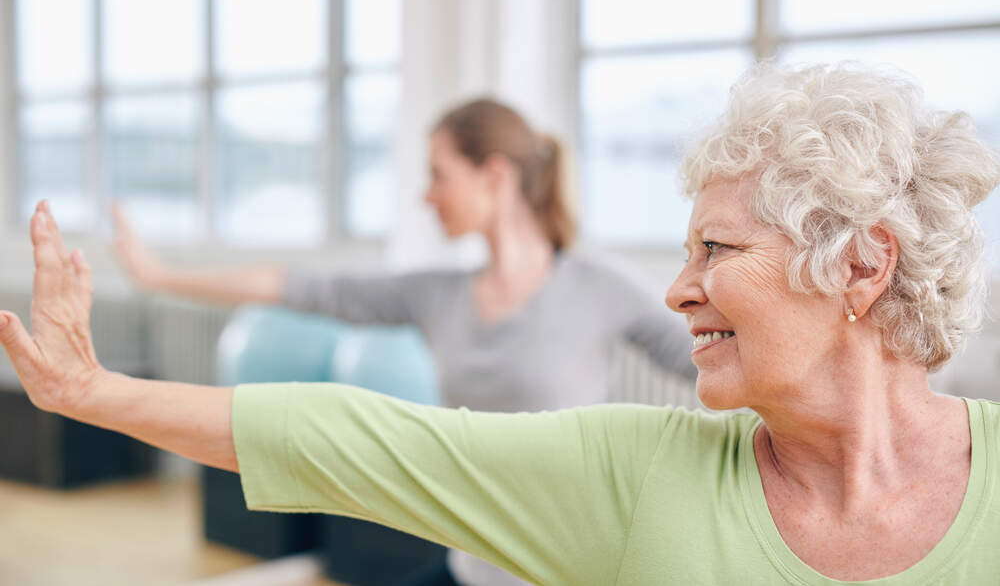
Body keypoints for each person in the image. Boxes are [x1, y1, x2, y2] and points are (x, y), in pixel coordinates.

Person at [3, 61, 1000, 584]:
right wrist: (96, 387)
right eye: (685, 252)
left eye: (717, 252)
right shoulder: (640, 472)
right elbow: (358, 429)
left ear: (864, 265)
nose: (678, 287)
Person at [110, 98, 696, 584]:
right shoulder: (437, 295)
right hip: (474, 564)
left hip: (569, 567)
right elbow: (301, 287)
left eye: (438, 175)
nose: (425, 195)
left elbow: (706, 359)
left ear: (494, 174)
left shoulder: (601, 286)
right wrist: (161, 277)